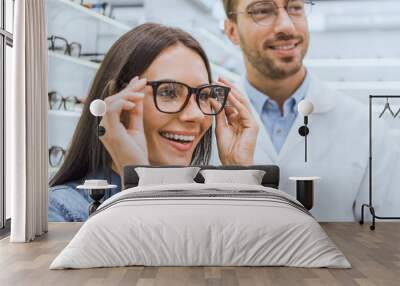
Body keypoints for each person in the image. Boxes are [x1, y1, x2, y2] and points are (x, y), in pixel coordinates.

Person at [48, 23, 259, 222]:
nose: (195, 115)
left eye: (202, 96)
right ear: (118, 101)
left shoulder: (208, 202)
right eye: (169, 92)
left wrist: (237, 174)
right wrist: (137, 182)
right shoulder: (62, 210)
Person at [218, 0, 400, 221]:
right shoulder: (203, 125)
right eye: (262, 11)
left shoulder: (368, 128)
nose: (287, 26)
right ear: (232, 31)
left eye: (295, 7)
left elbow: (384, 242)